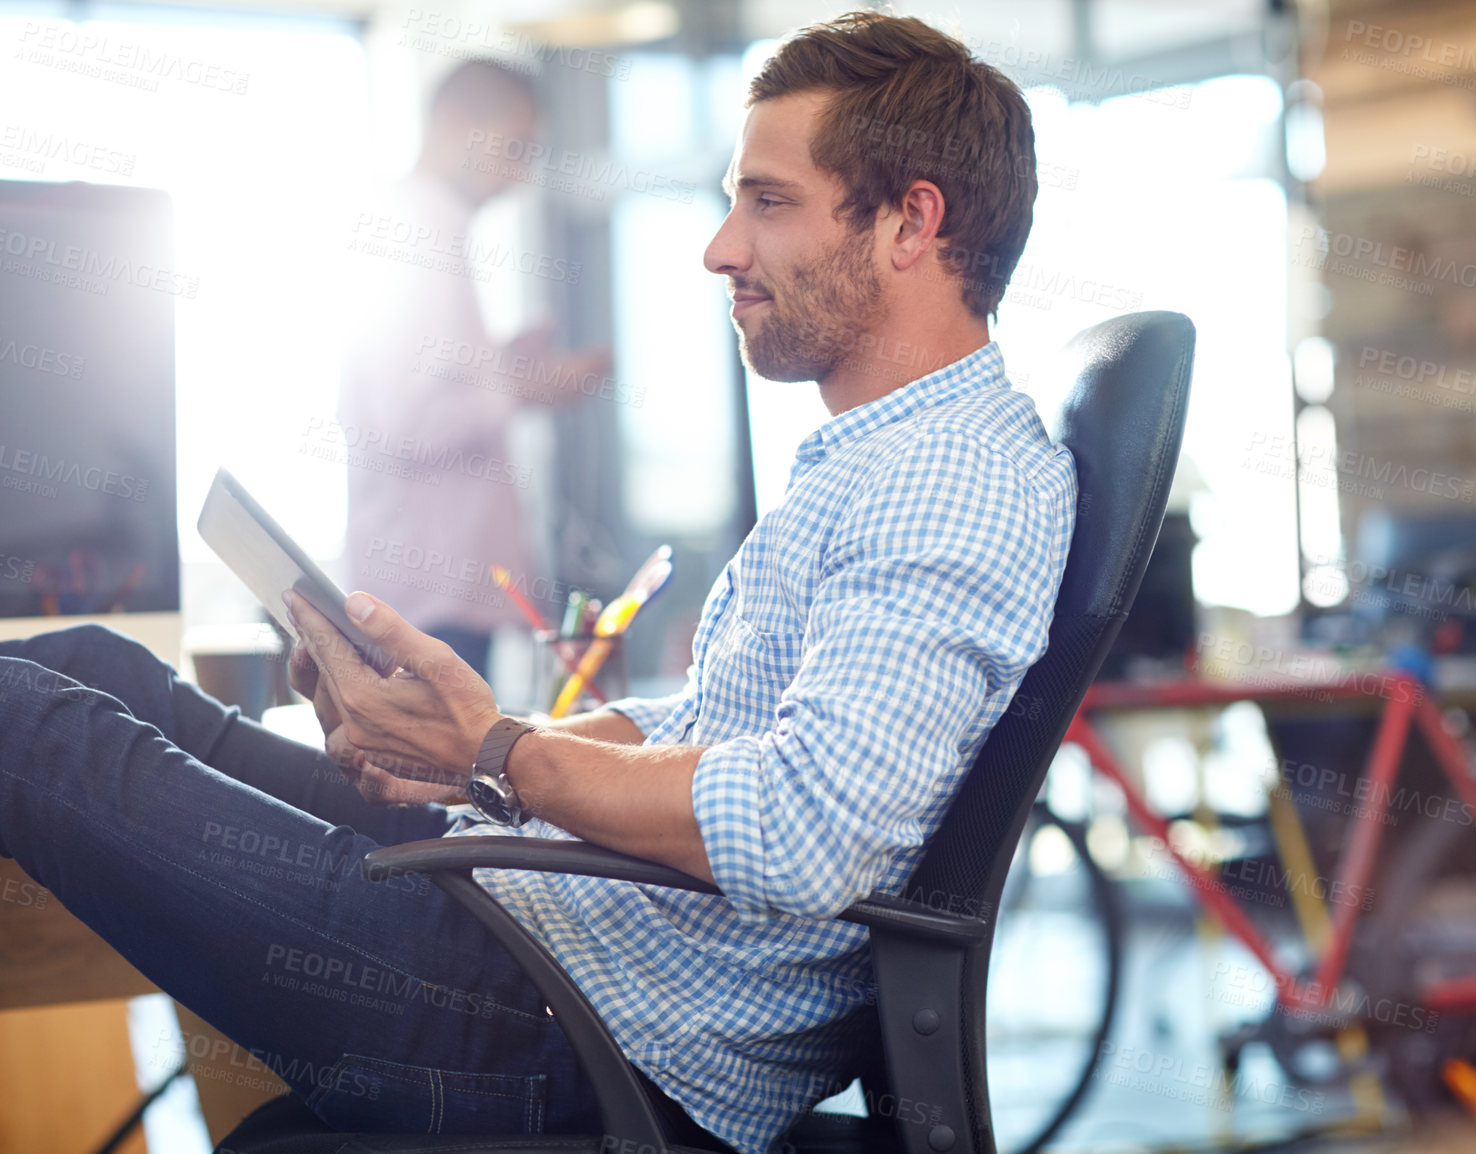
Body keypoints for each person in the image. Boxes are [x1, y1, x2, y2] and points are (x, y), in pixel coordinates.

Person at [0, 12, 1074, 1154]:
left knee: (30, 725)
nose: (719, 247)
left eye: (766, 201)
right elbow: (717, 729)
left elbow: (807, 828)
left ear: (911, 220)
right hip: (539, 924)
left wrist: (499, 756)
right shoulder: (878, 456)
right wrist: (471, 742)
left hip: (564, 1023)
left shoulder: (951, 475)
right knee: (91, 667)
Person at [339, 58, 610, 676]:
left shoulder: (432, 234)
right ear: (454, 123)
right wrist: (521, 388)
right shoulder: (409, 236)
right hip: (425, 598)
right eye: (514, 148)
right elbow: (405, 423)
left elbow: (432, 386)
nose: (520, 174)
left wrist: (502, 368)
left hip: (436, 593)